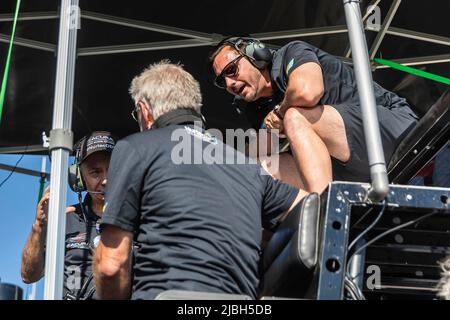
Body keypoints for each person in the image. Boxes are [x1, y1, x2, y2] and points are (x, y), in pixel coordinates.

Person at [94, 61, 307, 300]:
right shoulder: (246, 166)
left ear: (145, 112)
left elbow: (111, 265)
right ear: (196, 108)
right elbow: (312, 209)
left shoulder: (134, 147)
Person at [210, 37, 419, 193]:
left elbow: (307, 92)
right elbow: (262, 148)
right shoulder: (255, 107)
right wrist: (217, 157)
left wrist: (279, 113)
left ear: (256, 54)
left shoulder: (291, 53)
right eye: (222, 81)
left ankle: (321, 213)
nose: (230, 83)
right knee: (257, 165)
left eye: (231, 70)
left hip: (394, 131)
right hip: (350, 165)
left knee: (294, 116)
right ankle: (293, 227)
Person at [21, 131, 116, 300]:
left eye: (111, 170)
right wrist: (39, 225)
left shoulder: (139, 219)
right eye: (95, 172)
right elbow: (28, 275)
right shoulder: (64, 220)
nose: (105, 180)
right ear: (78, 178)